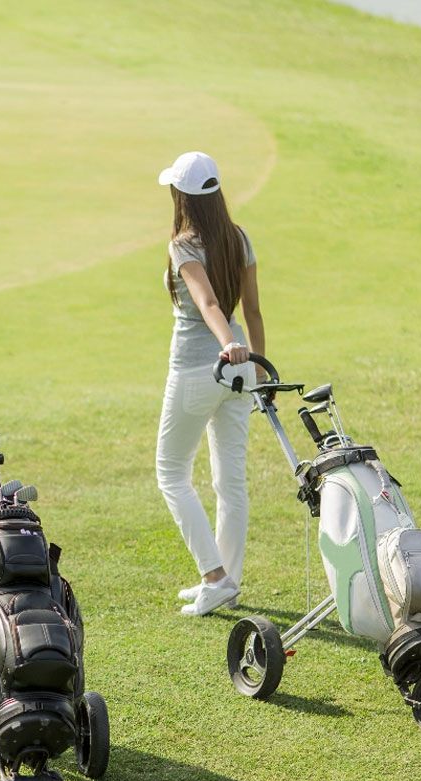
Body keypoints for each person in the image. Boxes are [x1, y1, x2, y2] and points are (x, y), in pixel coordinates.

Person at [155, 152, 267, 617]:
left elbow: (206, 303)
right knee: (229, 481)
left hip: (200, 369)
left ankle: (215, 577)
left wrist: (228, 344)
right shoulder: (237, 238)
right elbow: (253, 313)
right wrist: (256, 370)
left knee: (171, 473)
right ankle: (227, 580)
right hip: (237, 372)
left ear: (183, 196)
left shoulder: (183, 244)